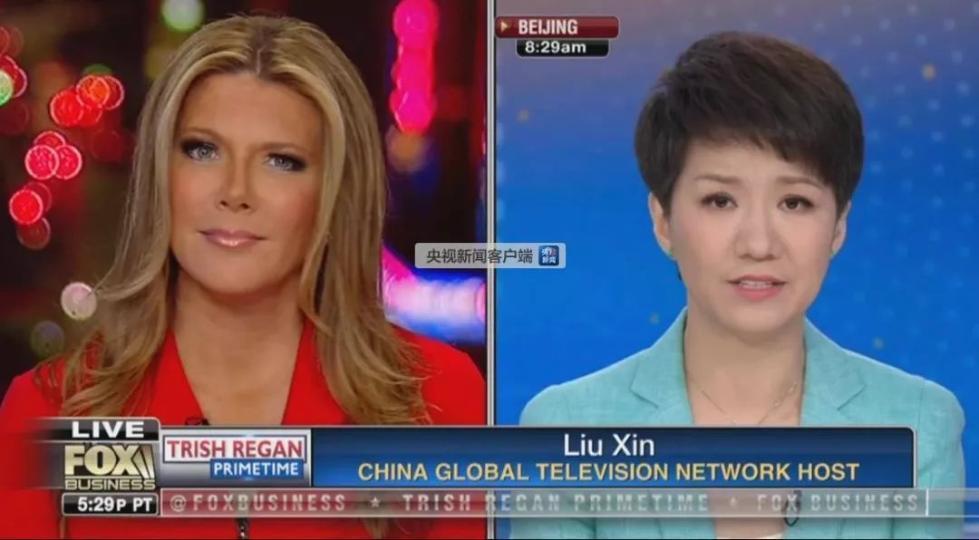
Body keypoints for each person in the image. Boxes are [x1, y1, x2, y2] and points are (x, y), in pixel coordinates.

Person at [0, 15, 486, 539]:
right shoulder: (51, 411)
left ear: (334, 193)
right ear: (160, 174)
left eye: (281, 161)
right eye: (202, 151)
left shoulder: (439, 400)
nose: (235, 192)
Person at [513, 31, 964, 539]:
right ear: (663, 221)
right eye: (720, 201)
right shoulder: (567, 428)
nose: (758, 243)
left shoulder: (918, 425)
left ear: (839, 225)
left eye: (795, 202)